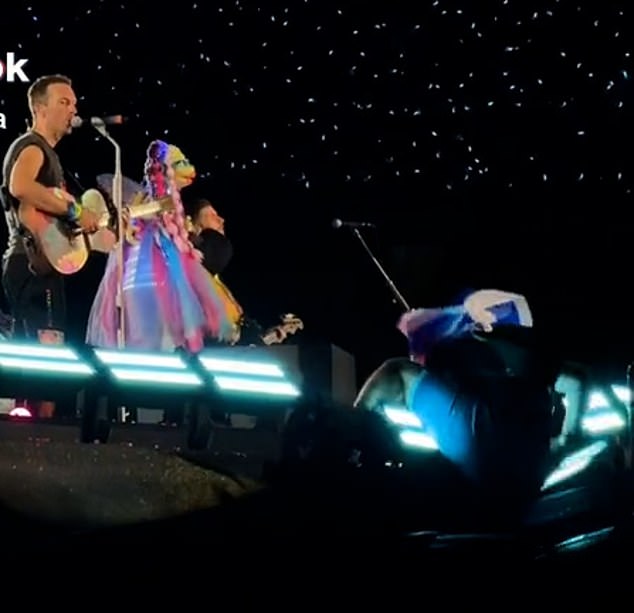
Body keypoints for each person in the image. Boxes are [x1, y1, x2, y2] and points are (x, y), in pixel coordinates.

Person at [353, 289, 563, 502]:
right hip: (531, 475)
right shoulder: (535, 363)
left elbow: (398, 372)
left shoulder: (476, 344)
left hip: (485, 445)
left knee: (397, 371)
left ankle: (348, 446)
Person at [0, 74, 99, 418]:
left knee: (44, 360)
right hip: (30, 264)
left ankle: (36, 444)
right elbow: (20, 185)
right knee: (45, 360)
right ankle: (37, 449)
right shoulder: (31, 146)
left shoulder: (51, 158)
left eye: (74, 103)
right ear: (40, 109)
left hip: (39, 265)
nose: (73, 110)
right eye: (64, 102)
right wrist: (73, 209)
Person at [85, 140, 236, 353]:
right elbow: (135, 216)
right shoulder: (151, 198)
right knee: (148, 328)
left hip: (166, 269)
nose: (188, 168)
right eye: (181, 162)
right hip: (145, 271)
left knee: (168, 327)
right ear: (168, 169)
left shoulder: (173, 205)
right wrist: (137, 216)